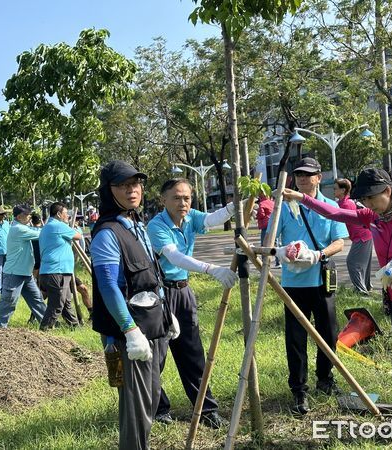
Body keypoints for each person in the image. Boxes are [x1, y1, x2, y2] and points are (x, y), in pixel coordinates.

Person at [282, 167, 392, 432]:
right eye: (364, 200)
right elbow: (334, 212)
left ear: (387, 191)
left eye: (371, 198)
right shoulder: (375, 217)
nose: (367, 204)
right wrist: (301, 198)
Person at [90, 160, 171, 450]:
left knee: (150, 396)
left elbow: (152, 275)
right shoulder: (107, 233)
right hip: (129, 332)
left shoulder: (137, 225)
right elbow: (109, 286)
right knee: (136, 409)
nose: (132, 190)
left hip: (153, 323)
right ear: (108, 190)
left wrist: (167, 315)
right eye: (123, 185)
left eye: (135, 184)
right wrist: (130, 330)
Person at [146, 178, 240, 428]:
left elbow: (212, 219)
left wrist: (235, 205)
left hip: (184, 292)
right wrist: (211, 269)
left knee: (193, 352)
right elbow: (174, 257)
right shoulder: (157, 225)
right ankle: (159, 409)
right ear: (163, 200)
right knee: (159, 355)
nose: (182, 203)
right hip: (161, 295)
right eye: (176, 198)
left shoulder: (190, 218)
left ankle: (206, 409)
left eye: (186, 197)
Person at [272, 157, 348, 415]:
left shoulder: (330, 207)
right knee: (296, 338)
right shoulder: (284, 207)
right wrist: (284, 252)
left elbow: (340, 242)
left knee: (328, 333)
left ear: (320, 177)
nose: (303, 179)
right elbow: (271, 242)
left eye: (309, 175)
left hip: (322, 279)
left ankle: (325, 380)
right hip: (293, 283)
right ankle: (299, 390)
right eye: (299, 175)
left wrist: (319, 255)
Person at [0, 205, 47, 328]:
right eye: (27, 215)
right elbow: (41, 233)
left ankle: (47, 323)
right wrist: (52, 228)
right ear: (19, 217)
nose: (29, 217)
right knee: (9, 301)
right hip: (14, 273)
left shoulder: (23, 227)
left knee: (37, 300)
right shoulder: (18, 229)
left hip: (25, 273)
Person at [38, 202, 83, 331]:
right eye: (66, 214)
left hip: (55, 271)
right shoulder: (57, 226)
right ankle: (44, 330)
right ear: (58, 214)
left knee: (66, 302)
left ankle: (75, 327)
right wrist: (72, 226)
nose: (68, 216)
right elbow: (78, 236)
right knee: (57, 303)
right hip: (57, 271)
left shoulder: (48, 226)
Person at [334, 178, 373, 295]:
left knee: (352, 262)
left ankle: (361, 291)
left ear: (343, 190)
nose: (333, 191)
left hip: (362, 236)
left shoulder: (347, 204)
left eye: (336, 188)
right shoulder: (342, 203)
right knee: (363, 264)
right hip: (363, 236)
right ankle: (366, 287)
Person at [256, 194, 281, 267]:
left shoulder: (262, 203)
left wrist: (256, 215)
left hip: (265, 225)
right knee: (276, 243)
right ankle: (278, 262)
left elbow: (261, 214)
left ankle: (265, 263)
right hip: (273, 224)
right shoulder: (272, 202)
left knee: (264, 244)